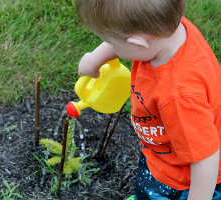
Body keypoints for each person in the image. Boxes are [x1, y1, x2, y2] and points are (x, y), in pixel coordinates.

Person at [75, 0, 221, 199]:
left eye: (111, 43)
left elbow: (206, 157)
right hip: (164, 151)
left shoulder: (178, 95)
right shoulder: (168, 31)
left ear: (138, 43)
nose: (110, 47)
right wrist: (95, 59)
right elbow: (128, 37)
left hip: (180, 179)